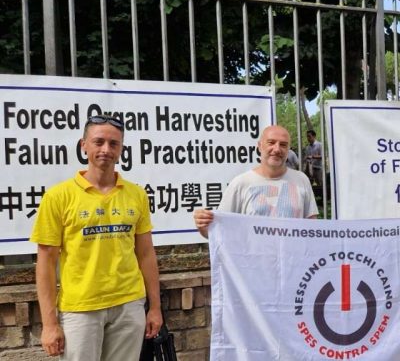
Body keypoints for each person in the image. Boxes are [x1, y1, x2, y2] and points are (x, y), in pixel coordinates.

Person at [32, 115, 162, 359]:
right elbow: (46, 263)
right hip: (80, 309)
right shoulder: (58, 197)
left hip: (129, 303)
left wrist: (154, 307)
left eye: (114, 144)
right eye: (98, 142)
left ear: (121, 148)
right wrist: (49, 324)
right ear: (84, 145)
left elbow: (146, 254)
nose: (106, 149)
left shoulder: (136, 195)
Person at [193, 125, 318, 237]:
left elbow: (313, 230)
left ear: (288, 149)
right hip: (253, 262)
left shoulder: (301, 180)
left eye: (283, 145)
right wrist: (203, 226)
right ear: (260, 146)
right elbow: (219, 232)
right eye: (271, 142)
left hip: (293, 262)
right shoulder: (241, 183)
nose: (277, 149)